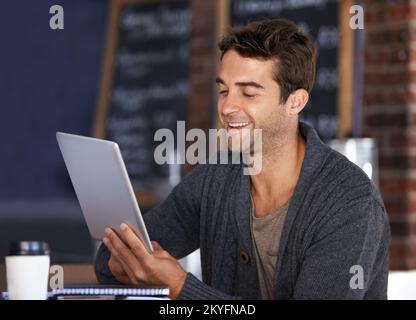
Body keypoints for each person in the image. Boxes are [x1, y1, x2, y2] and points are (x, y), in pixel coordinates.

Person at [94, 19, 390, 300]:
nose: (227, 107)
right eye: (224, 90)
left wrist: (178, 287)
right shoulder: (215, 178)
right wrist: (127, 263)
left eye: (248, 93)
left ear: (295, 101)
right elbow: (107, 259)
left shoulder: (349, 200)